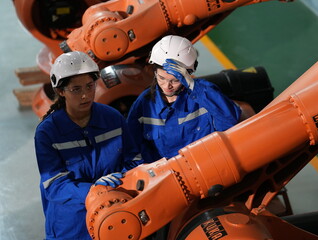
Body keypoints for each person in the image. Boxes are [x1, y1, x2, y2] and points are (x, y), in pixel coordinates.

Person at [34, 51, 138, 240]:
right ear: (60, 91)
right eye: (76, 89)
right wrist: (93, 191)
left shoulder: (113, 119)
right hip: (71, 226)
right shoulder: (48, 133)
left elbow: (134, 160)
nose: (85, 95)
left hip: (114, 214)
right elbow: (54, 185)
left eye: (90, 86)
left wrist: (122, 179)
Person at [126, 35, 242, 164]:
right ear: (154, 72)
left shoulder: (204, 94)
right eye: (161, 78)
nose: (167, 86)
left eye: (175, 80)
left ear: (187, 74)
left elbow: (229, 122)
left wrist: (193, 86)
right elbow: (131, 145)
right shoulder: (145, 103)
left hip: (206, 167)